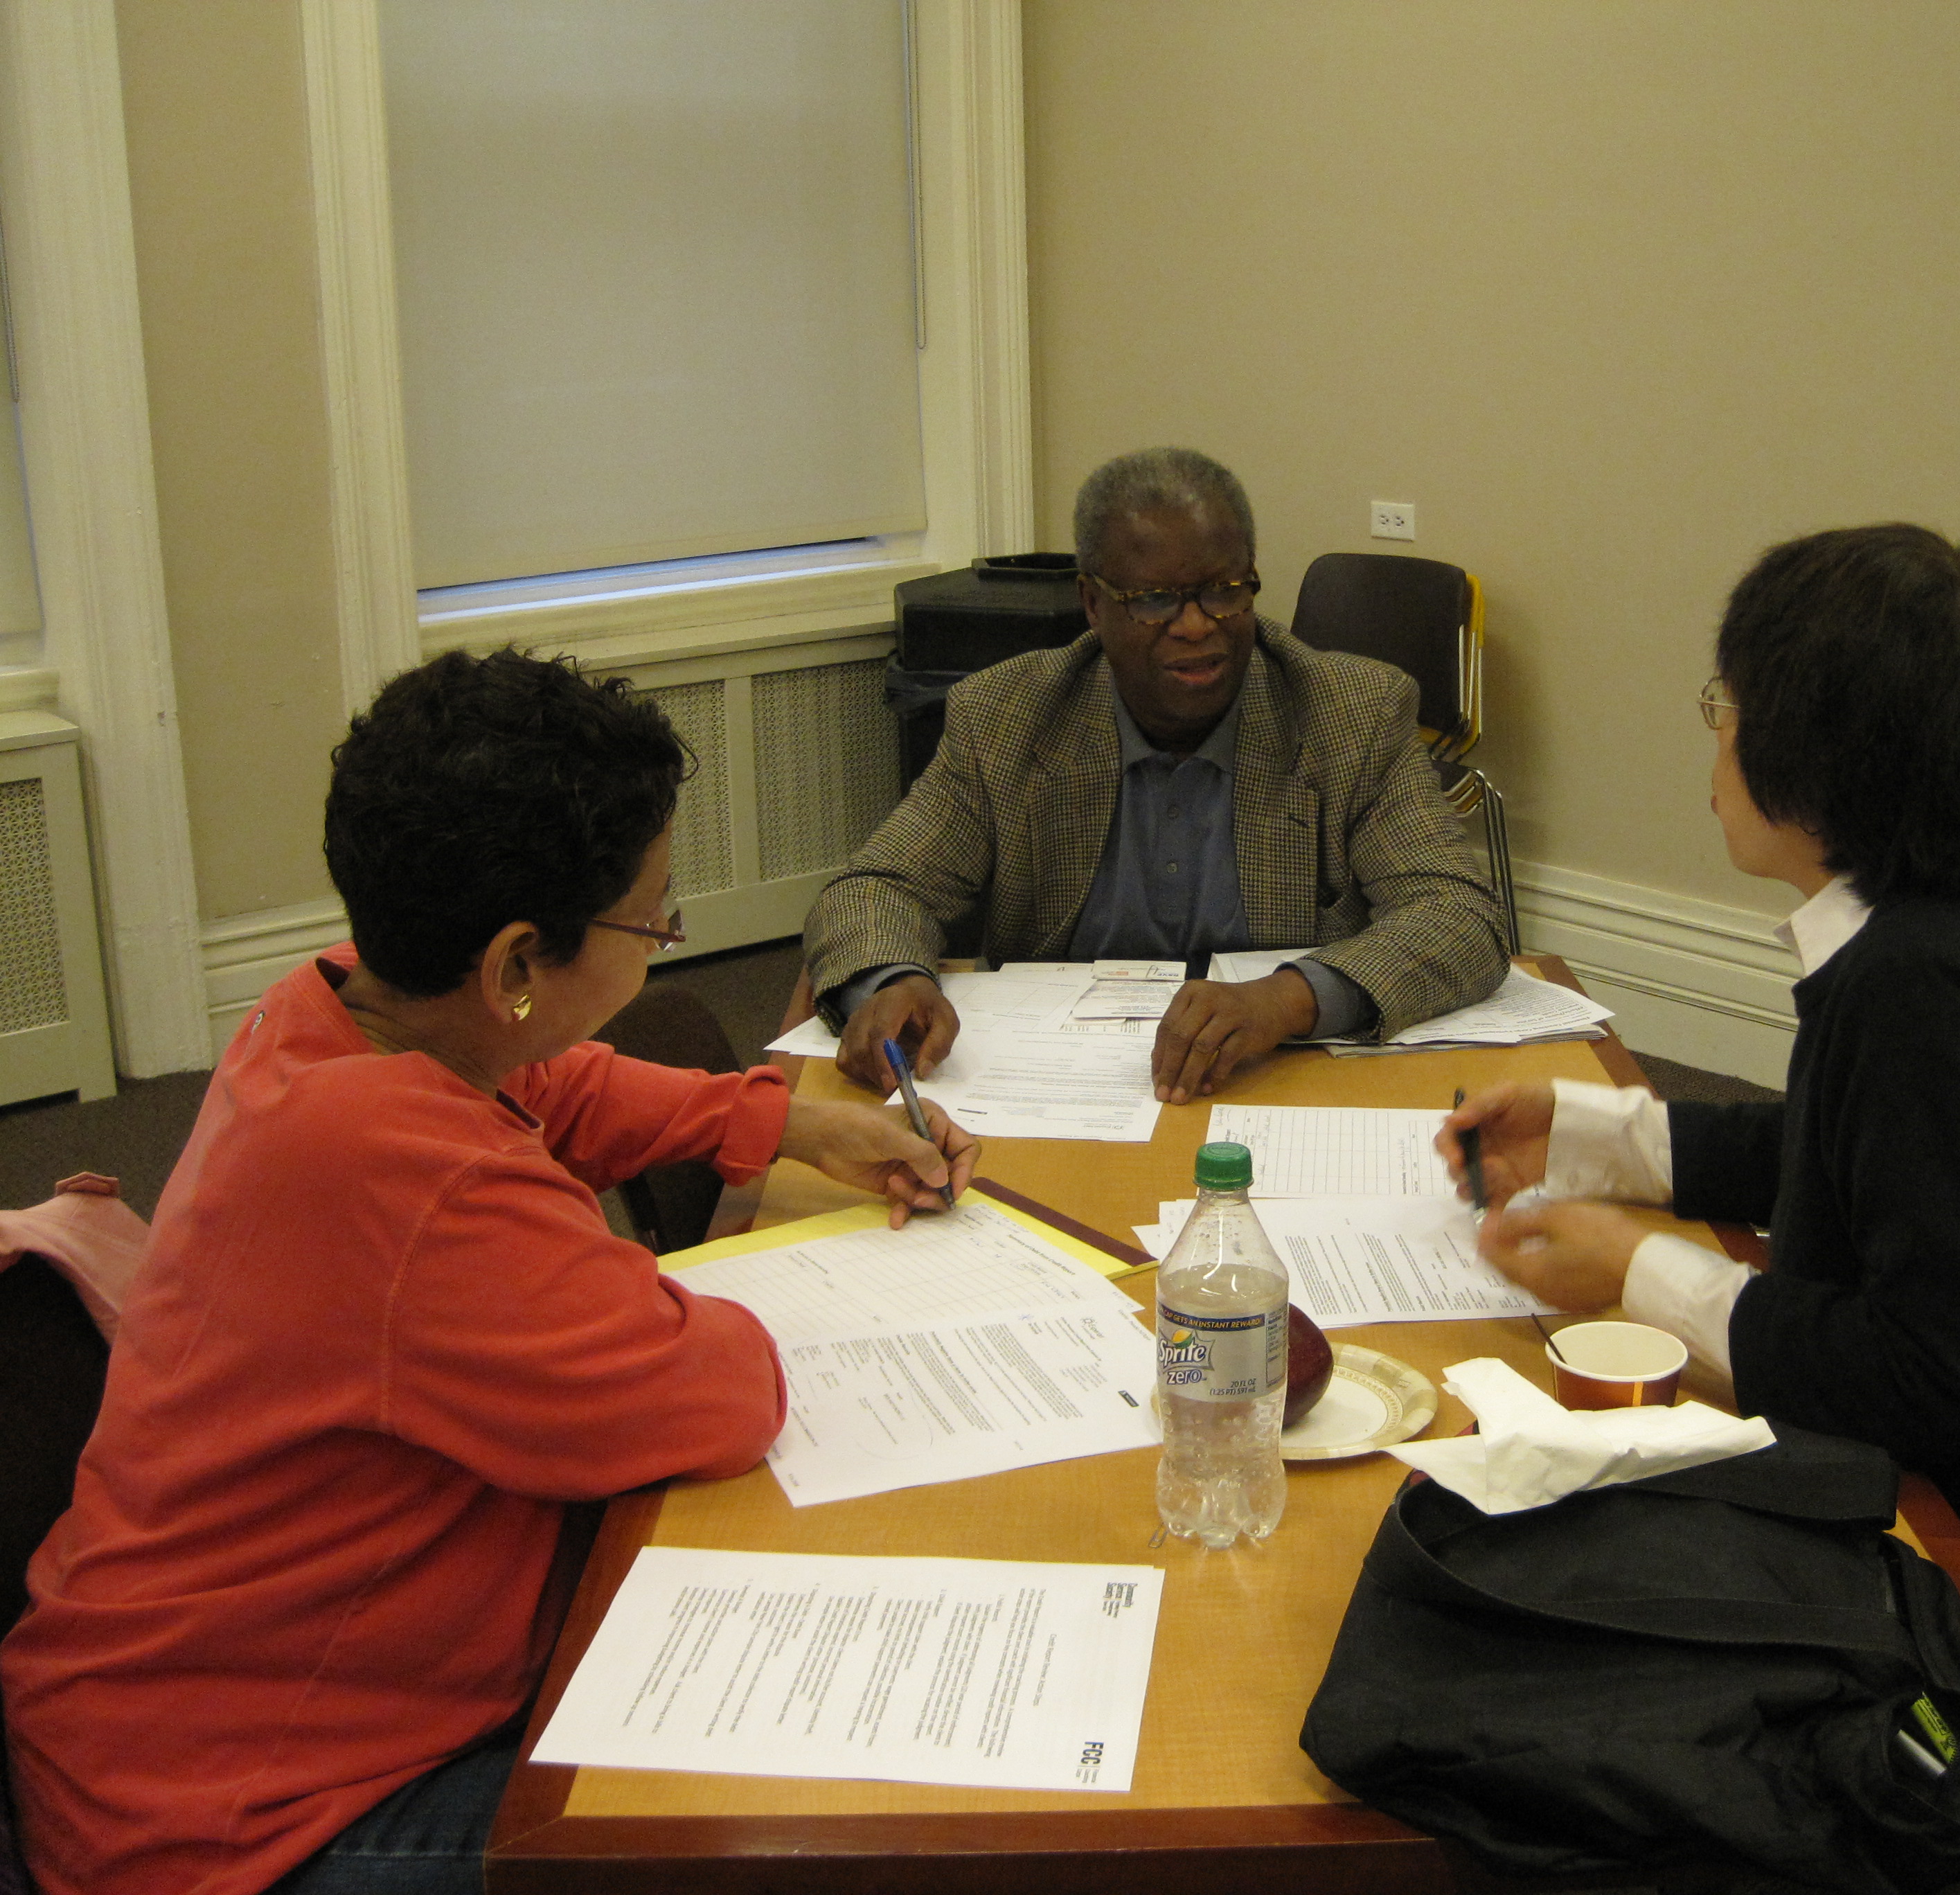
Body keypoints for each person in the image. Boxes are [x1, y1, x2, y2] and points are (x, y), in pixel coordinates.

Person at [1, 651, 977, 1895]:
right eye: (655, 921)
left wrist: (784, 1121)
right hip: (242, 1826)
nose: (667, 939)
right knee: (802, 1821)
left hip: (173, 1701)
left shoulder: (330, 1010)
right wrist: (624, 1281)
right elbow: (721, 1392)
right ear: (517, 967)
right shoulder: (421, 1180)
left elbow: (555, 1078)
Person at [1441, 525, 1960, 1765]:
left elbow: (1940, 1378)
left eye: (1729, 708)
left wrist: (1636, 1271)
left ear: (1825, 758)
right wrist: (1591, 1139)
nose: (1716, 740)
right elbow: (1858, 1151)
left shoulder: (1920, 987)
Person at [802, 445, 1508, 1104]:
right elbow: (878, 889)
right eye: (1154, 600)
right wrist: (894, 981)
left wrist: (1285, 999)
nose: (1196, 626)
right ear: (1093, 603)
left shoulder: (1351, 712)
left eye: (1223, 591)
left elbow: (1459, 915)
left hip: (1277, 1078)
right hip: (1056, 1088)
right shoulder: (1007, 717)